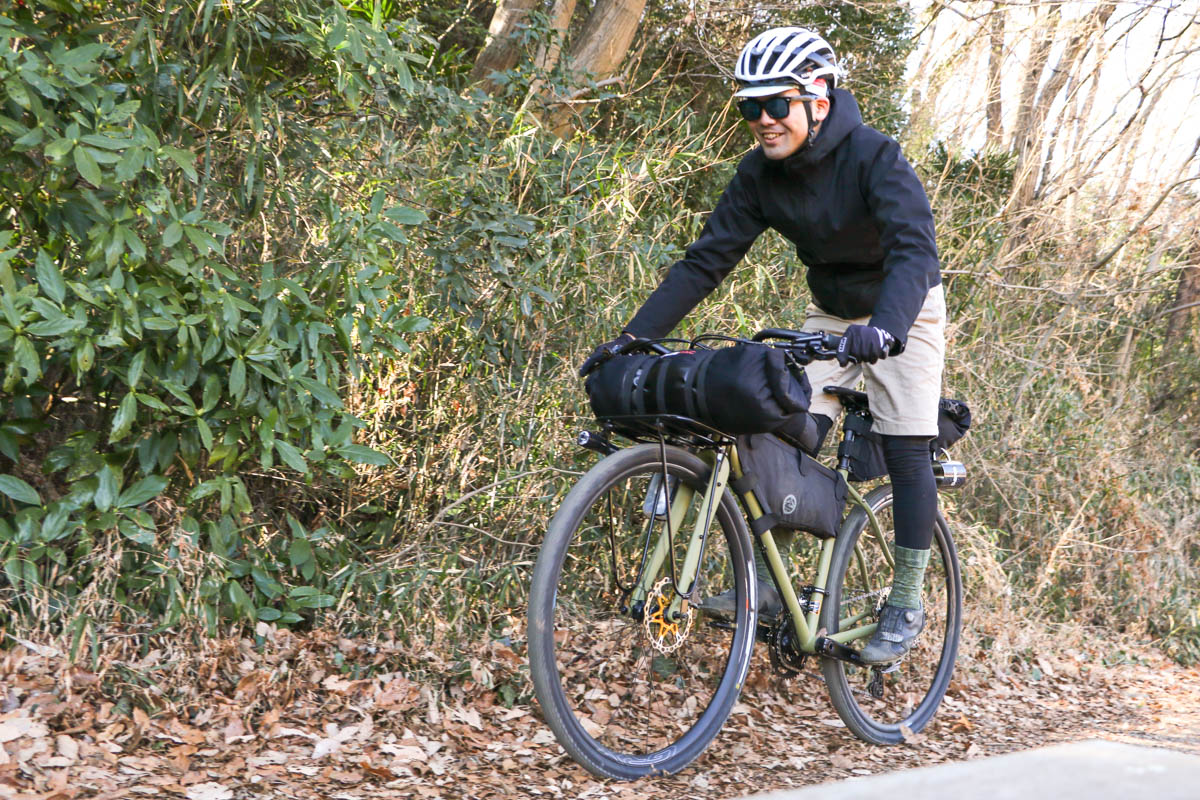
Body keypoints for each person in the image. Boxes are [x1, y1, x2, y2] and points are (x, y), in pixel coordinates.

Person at [578, 27, 945, 665]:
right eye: (750, 107)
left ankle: (906, 600)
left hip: (903, 311)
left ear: (818, 101)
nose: (764, 121)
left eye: (777, 104)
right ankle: (778, 589)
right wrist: (630, 341)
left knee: (907, 445)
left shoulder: (874, 157)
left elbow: (915, 251)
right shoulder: (759, 175)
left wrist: (886, 328)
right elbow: (704, 264)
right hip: (831, 313)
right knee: (780, 430)